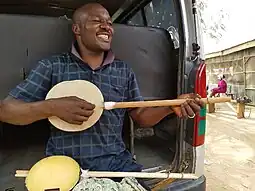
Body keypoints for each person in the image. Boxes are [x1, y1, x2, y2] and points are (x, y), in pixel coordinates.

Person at [0, 3, 204, 189]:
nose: (107, 27)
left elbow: (140, 116)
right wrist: (51, 107)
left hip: (116, 165)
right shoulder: (52, 67)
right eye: (97, 21)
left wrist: (171, 107)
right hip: (64, 167)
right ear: (77, 29)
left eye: (109, 22)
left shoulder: (123, 70)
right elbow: (7, 110)